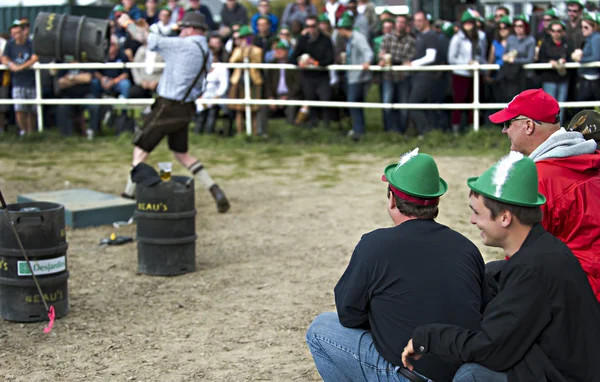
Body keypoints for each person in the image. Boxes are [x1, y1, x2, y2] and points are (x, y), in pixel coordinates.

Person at [401, 152, 600, 381]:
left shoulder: (533, 269)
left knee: (472, 375)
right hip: (564, 364)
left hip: (563, 375)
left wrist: (427, 337)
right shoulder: (545, 249)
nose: (472, 221)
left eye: (477, 212)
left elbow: (491, 350)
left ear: (505, 217)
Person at [306, 149, 490, 381]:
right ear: (436, 201)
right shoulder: (467, 247)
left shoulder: (374, 244)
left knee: (321, 328)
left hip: (409, 374)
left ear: (392, 199)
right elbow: (482, 311)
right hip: (461, 373)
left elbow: (348, 315)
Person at [487, 89, 600, 301]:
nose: (504, 131)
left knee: (489, 278)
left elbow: (522, 252)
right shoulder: (591, 159)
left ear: (528, 126)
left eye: (507, 124)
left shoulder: (539, 178)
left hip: (576, 291)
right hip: (588, 276)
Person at [117, 12, 230, 213]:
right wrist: (145, 27)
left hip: (167, 105)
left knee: (141, 149)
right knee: (182, 154)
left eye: (184, 29)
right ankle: (215, 189)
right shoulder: (205, 49)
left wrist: (127, 23)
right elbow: (157, 38)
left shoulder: (183, 45)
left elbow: (145, 39)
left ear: (192, 29)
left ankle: (127, 195)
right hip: (186, 106)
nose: (181, 32)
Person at [290, 15, 335, 129]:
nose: (311, 29)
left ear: (318, 26)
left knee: (325, 100)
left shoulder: (326, 40)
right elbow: (292, 57)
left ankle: (326, 126)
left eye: (313, 26)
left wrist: (314, 63)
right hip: (307, 77)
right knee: (310, 100)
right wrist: (300, 62)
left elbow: (330, 59)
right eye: (308, 26)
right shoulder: (303, 40)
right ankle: (312, 125)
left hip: (322, 76)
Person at [336, 16, 372, 141]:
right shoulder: (351, 39)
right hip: (353, 76)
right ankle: (359, 129)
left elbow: (368, 52)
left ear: (342, 29)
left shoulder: (357, 38)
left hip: (358, 77)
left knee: (353, 103)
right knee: (356, 104)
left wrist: (367, 62)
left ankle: (358, 131)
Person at [1, 20, 38, 136]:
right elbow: (4, 58)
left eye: (18, 32)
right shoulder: (10, 45)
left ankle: (31, 133)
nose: (17, 35)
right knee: (19, 109)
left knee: (32, 110)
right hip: (17, 82)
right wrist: (11, 65)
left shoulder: (31, 43)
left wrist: (21, 67)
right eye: (14, 33)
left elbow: (35, 58)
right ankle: (23, 132)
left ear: (23, 32)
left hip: (32, 82)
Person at [405, 12, 437, 138]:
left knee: (413, 103)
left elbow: (431, 57)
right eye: (415, 20)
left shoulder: (430, 35)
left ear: (426, 21)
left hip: (426, 76)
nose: (417, 23)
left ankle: (425, 131)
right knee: (420, 105)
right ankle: (426, 131)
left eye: (420, 20)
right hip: (419, 75)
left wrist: (412, 64)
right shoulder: (420, 35)